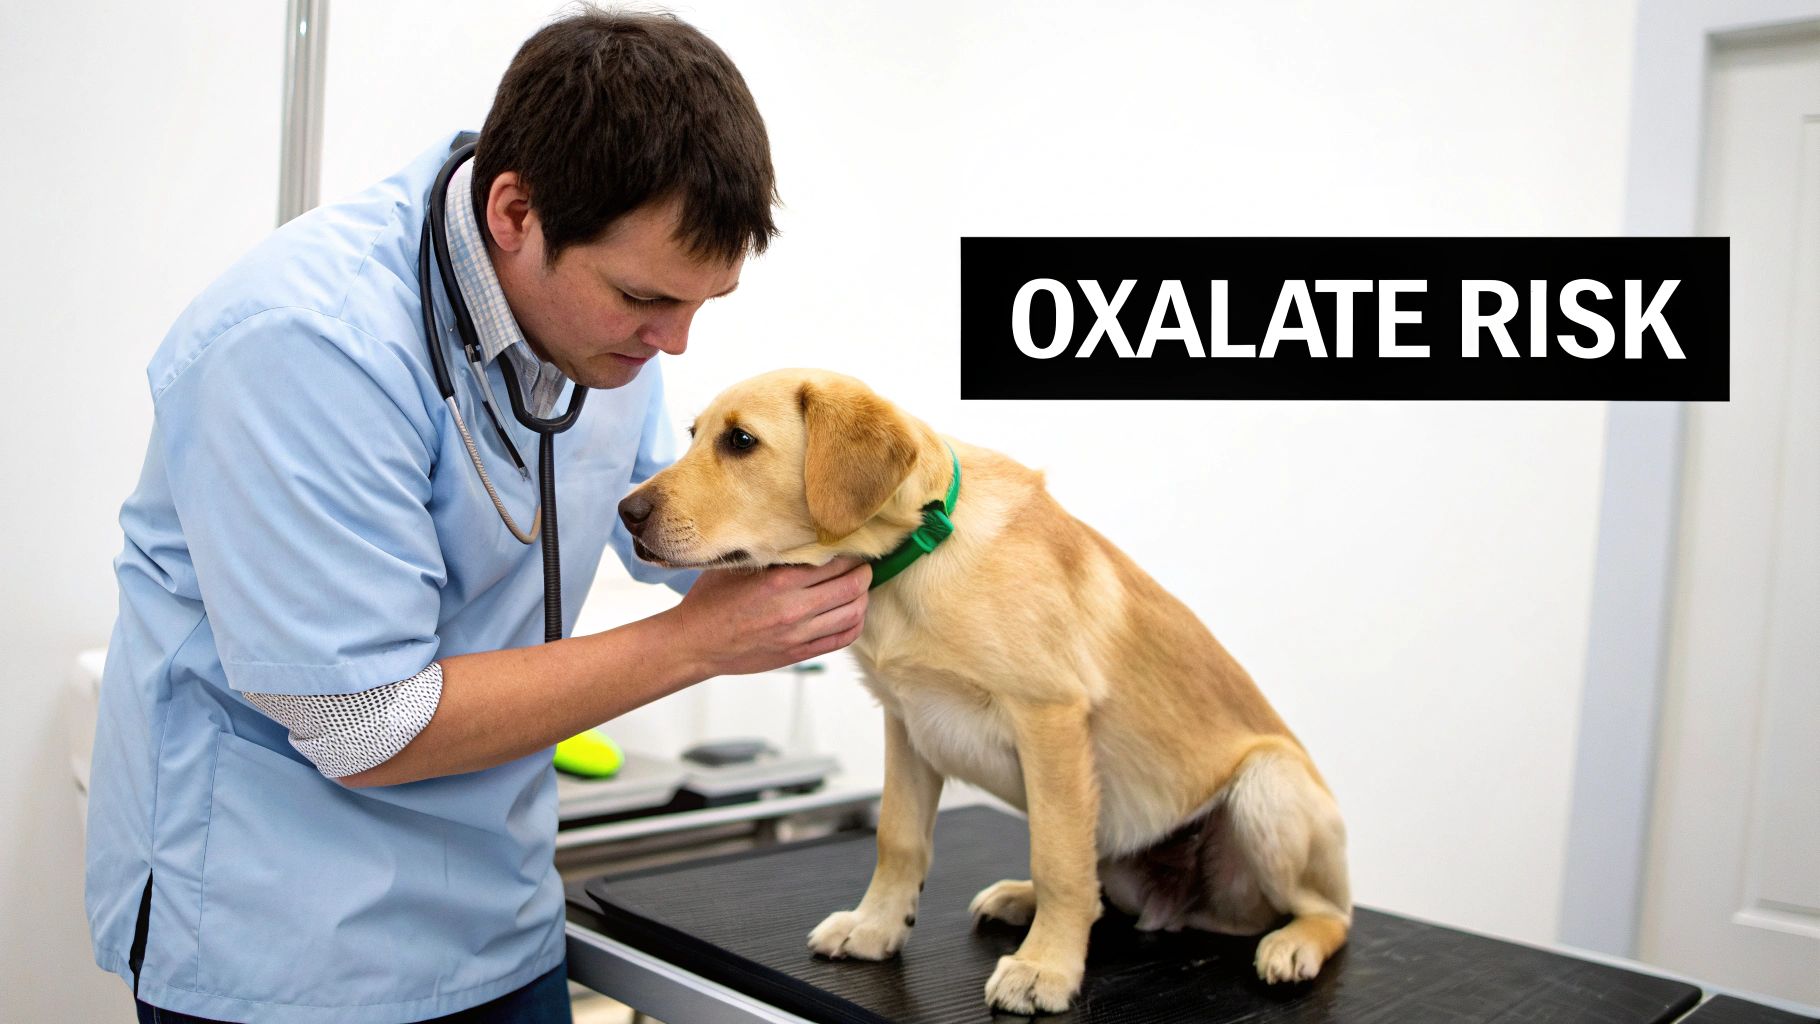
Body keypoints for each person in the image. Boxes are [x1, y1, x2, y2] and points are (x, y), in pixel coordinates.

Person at [84, 9, 871, 1023]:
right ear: (513, 212)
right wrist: (695, 644)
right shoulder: (304, 347)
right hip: (283, 950)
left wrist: (897, 530)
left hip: (498, 925)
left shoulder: (606, 332)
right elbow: (360, 721)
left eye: (699, 304)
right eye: (645, 298)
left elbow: (677, 535)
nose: (673, 342)